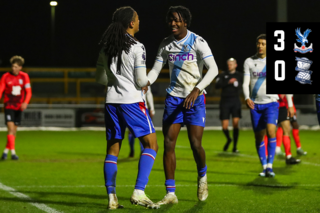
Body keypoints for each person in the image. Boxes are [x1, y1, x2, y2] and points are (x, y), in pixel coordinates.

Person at [147, 6, 219, 204]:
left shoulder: (198, 42)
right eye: (170, 20)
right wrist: (145, 83)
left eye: (177, 20)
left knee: (196, 145)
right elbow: (155, 70)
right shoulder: (166, 44)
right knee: (169, 145)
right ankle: (170, 193)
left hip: (195, 100)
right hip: (173, 100)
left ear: (185, 22)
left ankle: (202, 177)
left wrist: (197, 89)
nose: (173, 23)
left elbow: (213, 69)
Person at [96, 6, 159, 209]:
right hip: (131, 101)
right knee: (152, 145)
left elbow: (100, 78)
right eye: (138, 18)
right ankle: (139, 191)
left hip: (111, 102)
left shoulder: (106, 45)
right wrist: (151, 77)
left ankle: (112, 197)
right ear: (131, 23)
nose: (139, 21)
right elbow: (141, 80)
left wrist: (115, 82)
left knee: (113, 150)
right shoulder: (137, 47)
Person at [242, 34, 285, 177]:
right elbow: (245, 82)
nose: (260, 46)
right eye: (258, 43)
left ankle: (270, 167)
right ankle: (264, 165)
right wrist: (247, 97)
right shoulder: (249, 61)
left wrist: (288, 101)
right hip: (255, 105)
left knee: (271, 131)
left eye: (263, 44)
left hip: (271, 103)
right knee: (259, 137)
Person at [1, 56, 32, 160]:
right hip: (9, 105)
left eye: (15, 66)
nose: (13, 68)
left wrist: (25, 102)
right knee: (10, 128)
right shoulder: (5, 76)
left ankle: (5, 152)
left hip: (19, 107)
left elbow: (29, 92)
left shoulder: (25, 76)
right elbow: (0, 90)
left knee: (13, 131)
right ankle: (13, 153)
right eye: (12, 66)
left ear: (20, 67)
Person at [215, 58, 242, 153]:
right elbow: (217, 85)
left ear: (236, 65)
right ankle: (229, 139)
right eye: (228, 64)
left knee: (235, 124)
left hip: (235, 102)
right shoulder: (223, 74)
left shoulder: (239, 75)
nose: (230, 65)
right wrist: (228, 82)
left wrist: (237, 83)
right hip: (225, 102)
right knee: (224, 126)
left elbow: (242, 86)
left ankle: (235, 147)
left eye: (232, 64)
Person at [264, 95, 300, 164]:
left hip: (282, 107)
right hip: (271, 106)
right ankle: (266, 156)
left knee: (287, 130)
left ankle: (288, 156)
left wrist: (291, 106)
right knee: (268, 131)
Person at [128, 86, 155, 157]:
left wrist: (152, 108)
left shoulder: (145, 79)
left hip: (142, 108)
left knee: (142, 131)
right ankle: (132, 150)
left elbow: (149, 94)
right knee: (132, 131)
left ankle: (142, 150)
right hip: (132, 107)